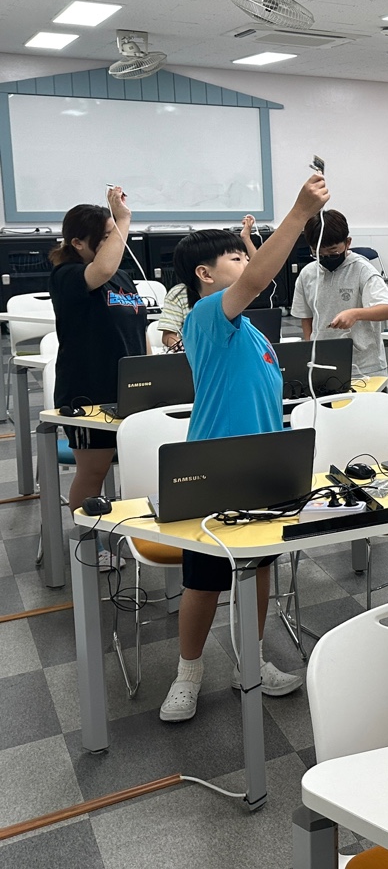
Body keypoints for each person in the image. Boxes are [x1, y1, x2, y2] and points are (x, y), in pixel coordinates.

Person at [158, 174, 328, 723]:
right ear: (206, 275)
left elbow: (257, 276)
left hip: (260, 470)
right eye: (232, 256)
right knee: (203, 582)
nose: (244, 260)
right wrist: (298, 214)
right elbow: (257, 277)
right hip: (212, 469)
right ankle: (188, 673)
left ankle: (248, 664)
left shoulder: (250, 332)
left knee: (256, 569)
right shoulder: (205, 317)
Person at [49, 187, 147, 518]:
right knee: (94, 473)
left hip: (131, 392)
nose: (116, 239)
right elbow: (100, 272)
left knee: (147, 465)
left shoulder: (121, 276)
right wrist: (123, 218)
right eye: (106, 236)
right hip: (87, 395)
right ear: (78, 242)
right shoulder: (68, 276)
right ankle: (88, 547)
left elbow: (137, 327)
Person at [291, 209, 388, 377]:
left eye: (333, 251)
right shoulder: (307, 274)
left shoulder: (362, 269)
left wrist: (355, 313)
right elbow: (306, 317)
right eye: (319, 253)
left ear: (347, 243)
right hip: (322, 364)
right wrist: (309, 349)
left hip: (365, 367)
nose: (326, 257)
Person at [156, 216, 259, 351]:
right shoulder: (182, 296)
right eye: (236, 259)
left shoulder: (237, 294)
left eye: (247, 258)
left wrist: (246, 238)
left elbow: (257, 272)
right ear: (205, 274)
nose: (247, 264)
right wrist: (187, 349)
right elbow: (168, 335)